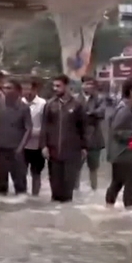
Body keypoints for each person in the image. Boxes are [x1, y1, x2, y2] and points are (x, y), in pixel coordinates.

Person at [39, 74, 87, 203]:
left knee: (67, 190)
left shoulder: (77, 105)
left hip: (72, 152)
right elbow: (44, 127)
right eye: (54, 86)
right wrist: (44, 146)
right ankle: (55, 219)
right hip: (53, 152)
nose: (55, 88)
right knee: (55, 190)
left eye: (58, 86)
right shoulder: (50, 105)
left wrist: (84, 147)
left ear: (66, 86)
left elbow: (83, 127)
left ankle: (67, 216)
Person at [105, 78, 132, 210]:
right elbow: (116, 131)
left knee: (117, 183)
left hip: (119, 153)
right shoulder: (125, 110)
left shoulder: (124, 107)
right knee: (130, 185)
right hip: (123, 154)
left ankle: (109, 208)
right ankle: (129, 213)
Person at [0, 79, 32, 195]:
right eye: (4, 88)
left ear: (18, 91)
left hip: (15, 149)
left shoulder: (24, 107)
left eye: (9, 88)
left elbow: (28, 128)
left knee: (20, 183)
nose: (5, 90)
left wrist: (20, 147)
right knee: (1, 183)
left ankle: (22, 209)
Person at [77, 76, 107, 191]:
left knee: (93, 168)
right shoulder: (76, 99)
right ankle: (75, 192)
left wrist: (88, 114)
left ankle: (94, 191)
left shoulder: (99, 99)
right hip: (78, 140)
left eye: (91, 84)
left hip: (95, 139)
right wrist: (89, 115)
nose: (88, 86)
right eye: (86, 84)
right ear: (82, 85)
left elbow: (101, 113)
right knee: (76, 169)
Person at [21, 77, 47, 196]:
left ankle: (35, 196)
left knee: (36, 173)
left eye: (29, 89)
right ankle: (23, 197)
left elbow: (46, 124)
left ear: (35, 89)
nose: (26, 92)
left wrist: (37, 133)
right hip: (22, 145)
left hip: (37, 145)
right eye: (24, 89)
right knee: (21, 172)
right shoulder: (19, 103)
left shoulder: (43, 104)